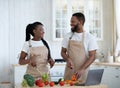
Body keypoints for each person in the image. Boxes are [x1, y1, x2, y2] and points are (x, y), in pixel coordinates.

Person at [61, 12, 98, 84]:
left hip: (83, 73)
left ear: (80, 22)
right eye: (70, 22)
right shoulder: (68, 36)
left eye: (73, 22)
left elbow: (92, 56)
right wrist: (67, 59)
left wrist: (82, 69)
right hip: (69, 72)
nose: (70, 24)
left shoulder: (90, 37)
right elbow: (63, 52)